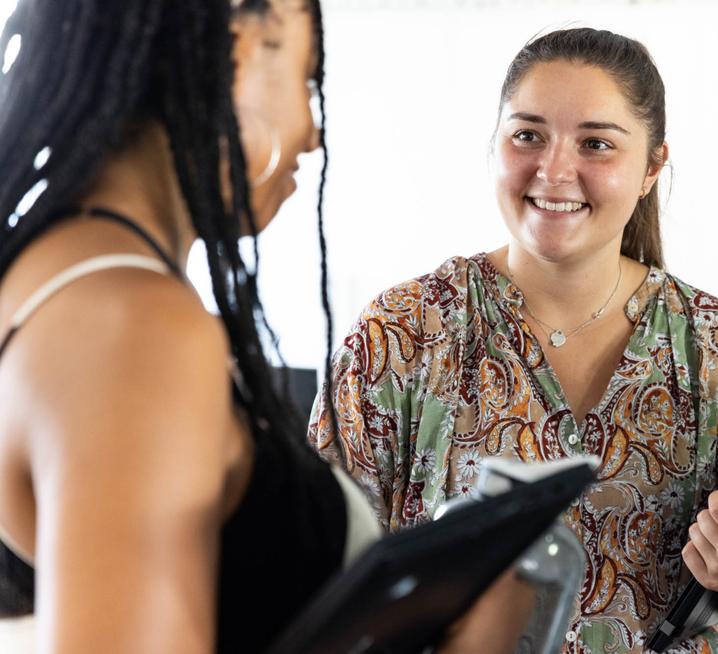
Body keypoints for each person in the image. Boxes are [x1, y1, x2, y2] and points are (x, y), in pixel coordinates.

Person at [0, 1, 532, 653]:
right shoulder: (136, 329)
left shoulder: (64, 280)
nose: (312, 134)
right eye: (308, 79)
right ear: (238, 53)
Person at [312, 27, 718, 653]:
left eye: (596, 143)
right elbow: (311, 566)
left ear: (651, 167)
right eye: (528, 135)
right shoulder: (402, 332)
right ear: (493, 145)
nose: (553, 170)